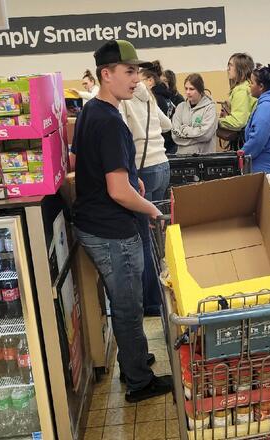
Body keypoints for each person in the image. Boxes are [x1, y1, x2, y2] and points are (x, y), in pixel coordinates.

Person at [71, 40, 173, 403]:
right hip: (112, 229)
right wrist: (151, 208)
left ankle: (133, 358)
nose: (136, 80)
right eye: (128, 72)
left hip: (93, 222)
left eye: (136, 72)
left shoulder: (91, 111)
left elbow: (92, 166)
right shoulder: (110, 121)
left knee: (123, 301)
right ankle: (139, 381)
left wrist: (132, 176)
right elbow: (117, 191)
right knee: (128, 306)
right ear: (106, 74)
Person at [119, 81, 171, 316]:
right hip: (163, 165)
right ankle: (165, 293)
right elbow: (167, 124)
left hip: (144, 170)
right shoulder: (148, 97)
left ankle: (152, 303)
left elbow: (121, 133)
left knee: (145, 239)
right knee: (159, 236)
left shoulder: (124, 100)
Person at [217, 53, 257, 148]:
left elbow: (238, 122)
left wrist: (215, 122)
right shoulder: (246, 86)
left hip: (243, 141)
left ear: (241, 69)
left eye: (231, 65)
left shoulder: (241, 90)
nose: (228, 69)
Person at [171, 73, 218, 155]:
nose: (188, 92)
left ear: (200, 90)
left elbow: (206, 135)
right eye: (186, 88)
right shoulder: (180, 107)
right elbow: (175, 136)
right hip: (182, 157)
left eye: (192, 89)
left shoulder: (210, 108)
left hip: (203, 158)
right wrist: (197, 135)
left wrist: (185, 130)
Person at [141, 61, 178, 153]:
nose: (137, 84)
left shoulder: (154, 99)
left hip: (163, 147)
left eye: (140, 81)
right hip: (171, 143)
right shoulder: (164, 94)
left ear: (150, 81)